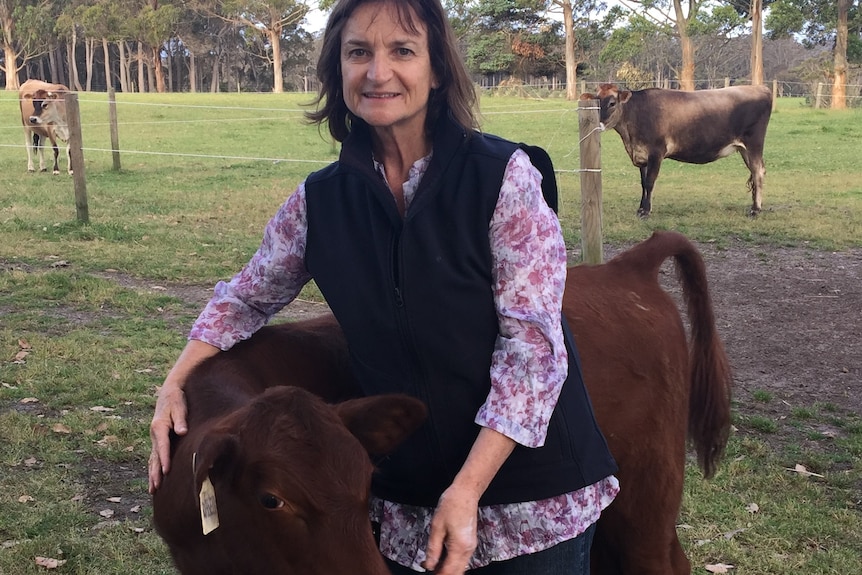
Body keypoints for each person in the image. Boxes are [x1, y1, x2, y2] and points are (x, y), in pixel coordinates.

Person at [149, 0, 619, 573]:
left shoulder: (504, 179)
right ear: (336, 71)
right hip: (405, 503)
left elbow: (534, 354)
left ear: (437, 69)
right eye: (357, 53)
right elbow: (245, 296)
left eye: (402, 50)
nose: (377, 72)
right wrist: (176, 381)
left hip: (529, 500)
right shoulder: (320, 201)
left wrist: (466, 492)